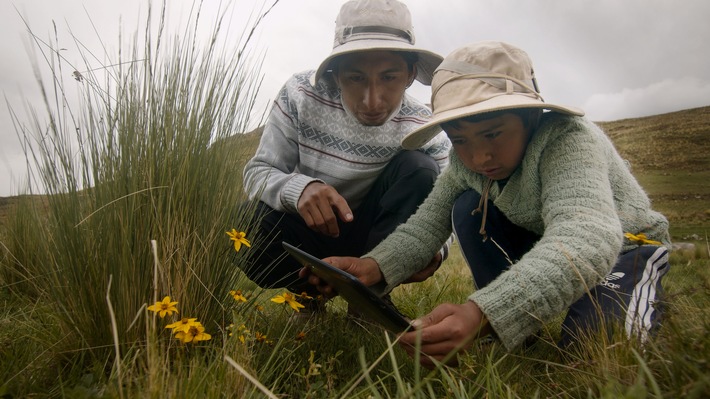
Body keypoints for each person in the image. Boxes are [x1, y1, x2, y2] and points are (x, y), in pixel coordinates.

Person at [308, 41, 671, 366]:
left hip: (625, 247)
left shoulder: (567, 138)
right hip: (547, 245)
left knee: (597, 351)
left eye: (493, 133)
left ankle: (638, 294)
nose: (480, 156)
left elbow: (587, 237)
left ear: (529, 116)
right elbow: (424, 228)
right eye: (459, 139)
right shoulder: (465, 165)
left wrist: (482, 312)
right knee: (467, 208)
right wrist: (369, 267)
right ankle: (517, 329)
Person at [241, 0, 451, 300]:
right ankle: (306, 293)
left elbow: (446, 207)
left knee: (419, 168)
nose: (372, 100)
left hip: (379, 243)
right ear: (336, 73)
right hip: (308, 234)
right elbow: (257, 172)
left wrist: (436, 251)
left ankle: (370, 297)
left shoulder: (426, 127)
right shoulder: (300, 95)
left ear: (410, 74)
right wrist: (298, 189)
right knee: (245, 224)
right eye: (356, 77)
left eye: (389, 77)